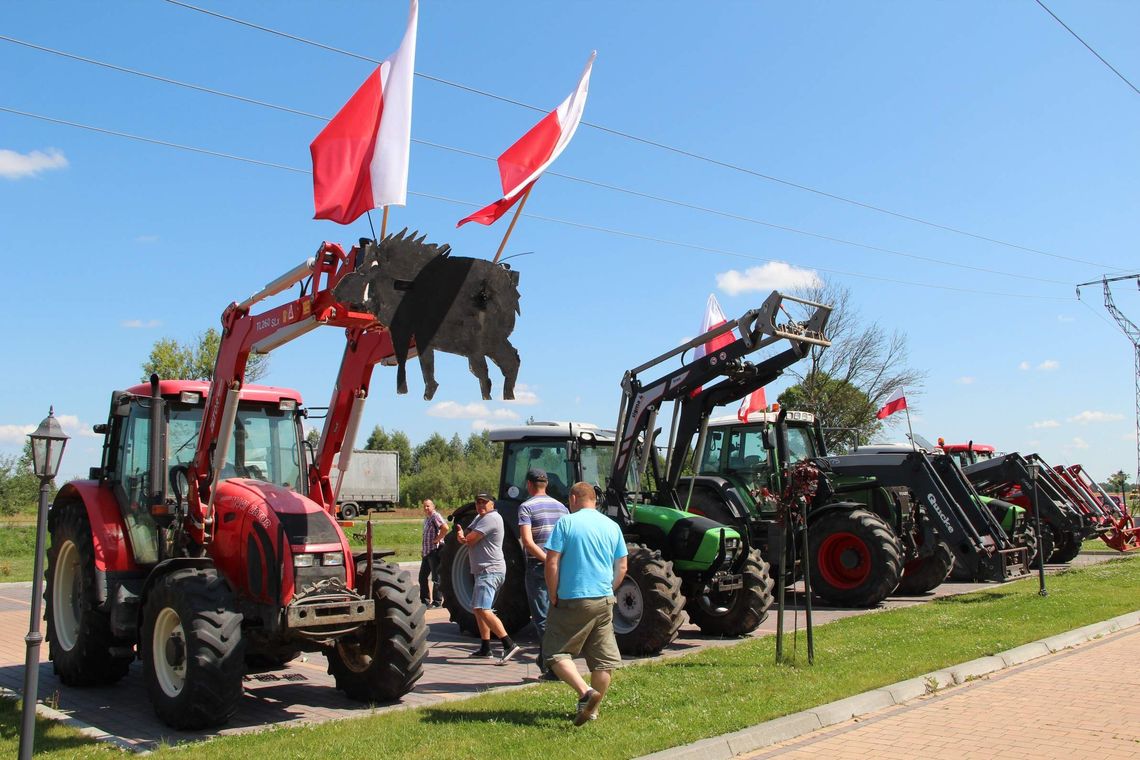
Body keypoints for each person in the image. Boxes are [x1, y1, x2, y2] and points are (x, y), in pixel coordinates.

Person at [544, 481, 628, 726]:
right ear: (595, 499)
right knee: (603, 660)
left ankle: (585, 692)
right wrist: (608, 589)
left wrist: (552, 592)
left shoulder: (566, 523)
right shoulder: (612, 526)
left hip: (572, 598)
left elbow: (552, 562)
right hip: (603, 599)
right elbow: (622, 566)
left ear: (572, 499)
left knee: (555, 652)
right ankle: (592, 711)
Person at [455, 492, 521, 664]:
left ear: (493, 504)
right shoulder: (480, 517)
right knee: (478, 608)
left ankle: (509, 644)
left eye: (484, 502)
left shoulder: (491, 518)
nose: (480, 505)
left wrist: (463, 537)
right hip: (483, 571)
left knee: (483, 609)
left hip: (490, 571)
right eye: (478, 502)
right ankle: (485, 647)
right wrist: (463, 536)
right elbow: (468, 533)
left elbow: (469, 539)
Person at [517, 468, 568, 674]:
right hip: (560, 566)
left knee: (542, 618)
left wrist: (547, 560)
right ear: (546, 484)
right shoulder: (562, 508)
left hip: (539, 566)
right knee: (555, 615)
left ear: (529, 484)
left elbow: (528, 542)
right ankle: (544, 659)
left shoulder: (526, 507)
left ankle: (556, 669)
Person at [419, 499, 448, 607]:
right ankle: (424, 601)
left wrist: (437, 539)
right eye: (424, 506)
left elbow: (445, 528)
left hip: (434, 551)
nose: (426, 508)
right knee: (422, 577)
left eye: (428, 506)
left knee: (436, 578)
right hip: (426, 552)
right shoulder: (427, 519)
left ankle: (437, 601)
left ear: (433, 506)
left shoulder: (435, 516)